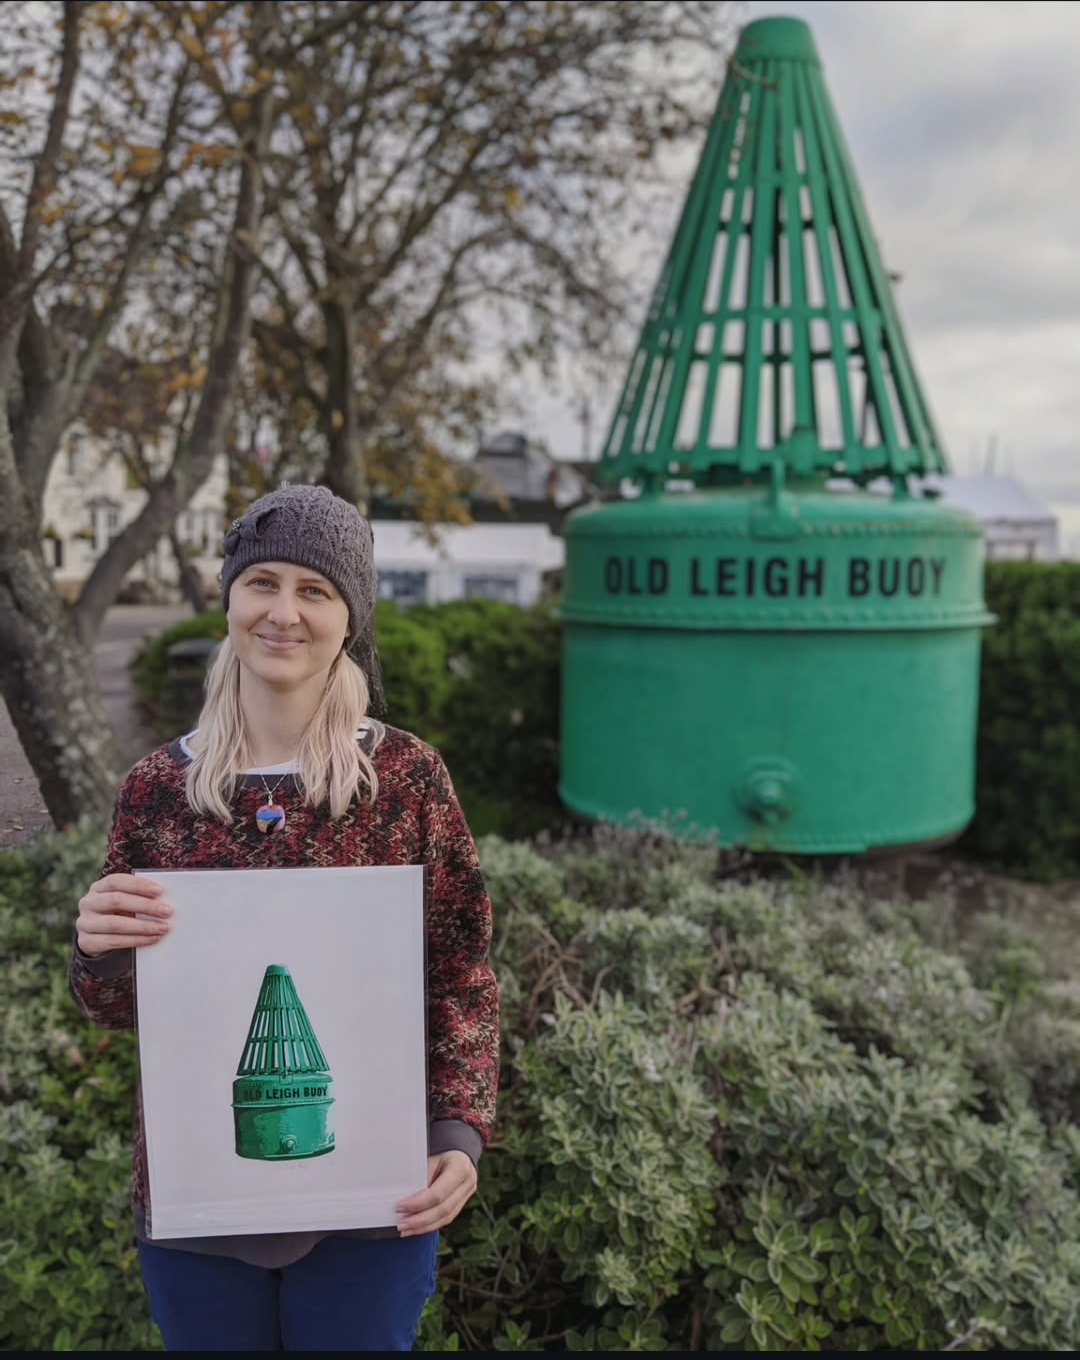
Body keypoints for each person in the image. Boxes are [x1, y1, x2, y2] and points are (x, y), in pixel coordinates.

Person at [69, 484, 499, 1352]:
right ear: (230, 597)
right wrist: (100, 950)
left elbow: (459, 971)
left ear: (350, 618)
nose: (283, 613)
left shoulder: (405, 780)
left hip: (374, 1200)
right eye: (262, 582)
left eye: (316, 591)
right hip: (200, 1200)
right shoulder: (157, 789)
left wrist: (459, 1132)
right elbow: (120, 1011)